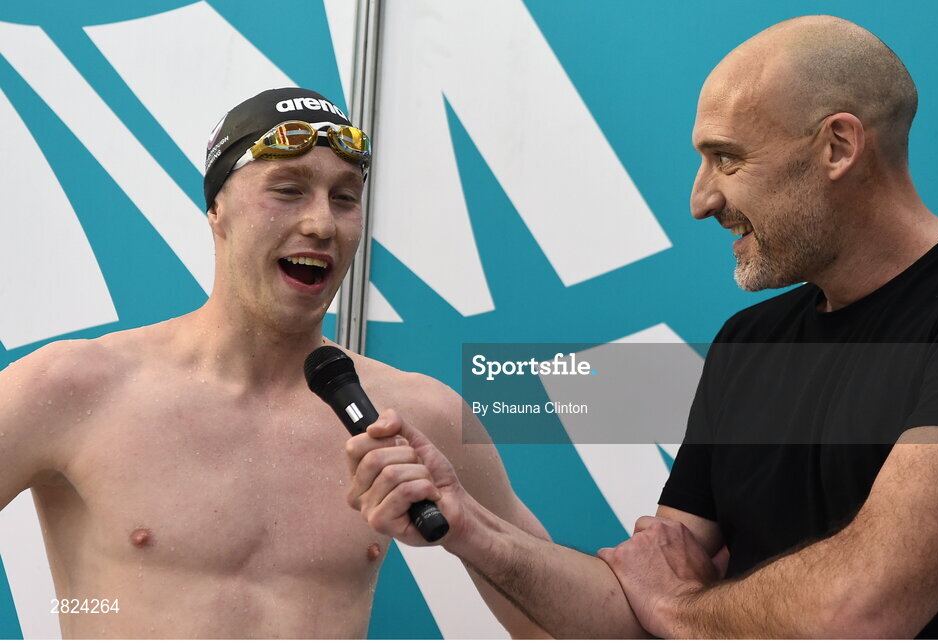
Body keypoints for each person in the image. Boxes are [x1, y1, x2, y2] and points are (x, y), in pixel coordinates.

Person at [346, 15, 938, 638]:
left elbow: (855, 612)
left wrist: (680, 607)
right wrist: (468, 526)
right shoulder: (749, 344)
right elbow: (630, 616)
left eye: (727, 158)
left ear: (838, 146)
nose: (701, 200)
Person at [0, 88, 549, 638]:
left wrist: (469, 529)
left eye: (344, 198)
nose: (322, 224)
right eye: (287, 191)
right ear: (216, 208)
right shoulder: (75, 388)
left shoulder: (414, 414)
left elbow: (558, 626)